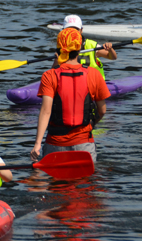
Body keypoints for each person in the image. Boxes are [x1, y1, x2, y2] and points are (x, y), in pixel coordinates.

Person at [31, 28, 111, 164]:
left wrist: (37, 144)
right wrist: (91, 125)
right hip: (84, 144)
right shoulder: (94, 74)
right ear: (79, 48)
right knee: (86, 183)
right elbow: (102, 110)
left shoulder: (49, 75)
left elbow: (45, 111)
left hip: (55, 144)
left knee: (55, 184)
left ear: (59, 49)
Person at [55, 15, 117, 80]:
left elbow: (113, 57)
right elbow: (54, 71)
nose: (73, 33)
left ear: (81, 30)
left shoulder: (91, 45)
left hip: (94, 83)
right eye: (70, 30)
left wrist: (110, 49)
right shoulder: (62, 47)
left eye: (76, 29)